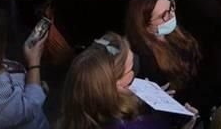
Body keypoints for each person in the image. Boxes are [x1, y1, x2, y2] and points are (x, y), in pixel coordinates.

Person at [58, 32, 195, 129]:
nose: (135, 74)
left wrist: (149, 101)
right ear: (116, 84)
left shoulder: (78, 109)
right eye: (131, 69)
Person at [125, 0, 206, 113]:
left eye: (171, 6)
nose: (172, 14)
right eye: (164, 15)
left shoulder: (174, 32)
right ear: (146, 26)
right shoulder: (141, 60)